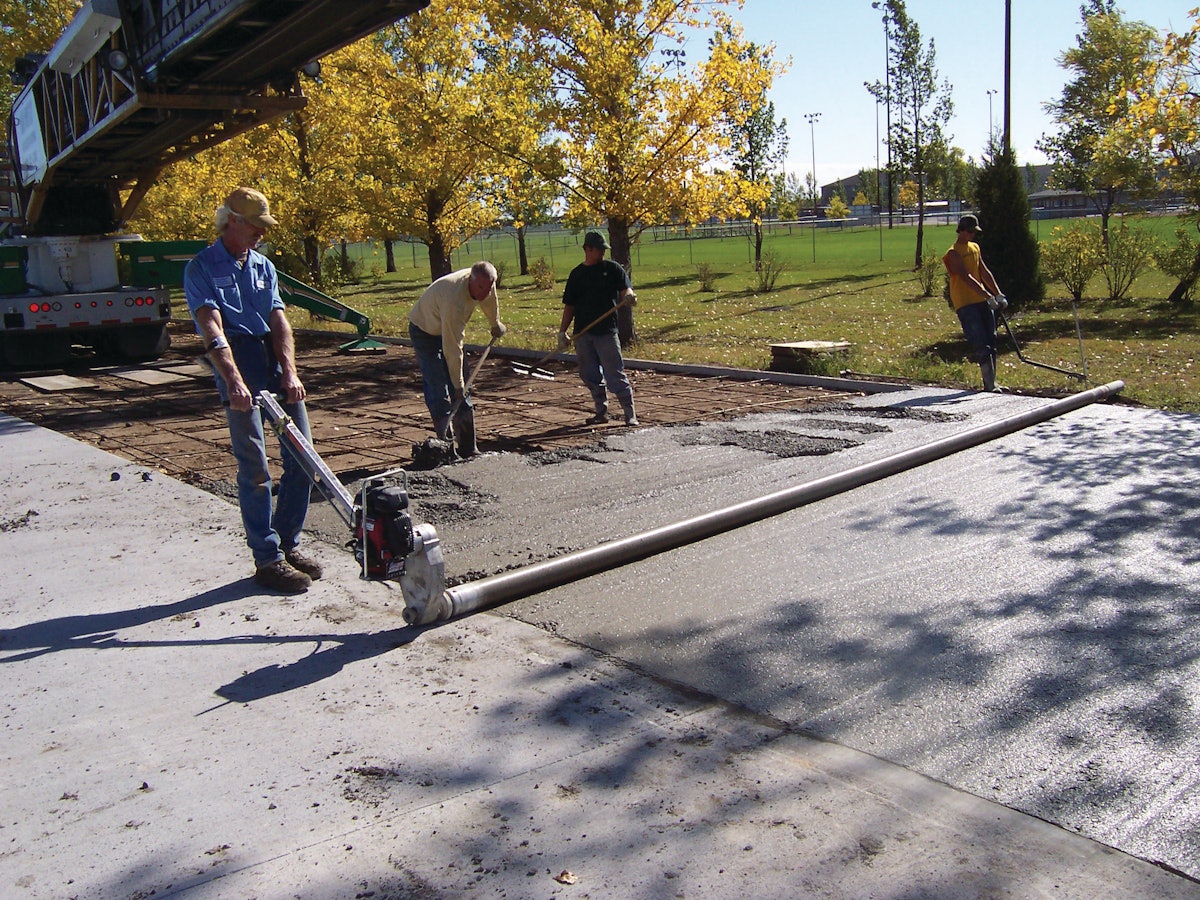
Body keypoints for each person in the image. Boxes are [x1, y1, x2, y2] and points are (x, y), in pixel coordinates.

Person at [183, 186, 321, 595]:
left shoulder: (263, 265)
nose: (262, 233)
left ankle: (287, 543)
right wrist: (233, 380)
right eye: (256, 226)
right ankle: (267, 558)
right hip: (235, 360)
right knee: (256, 467)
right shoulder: (201, 267)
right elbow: (211, 327)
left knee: (303, 458)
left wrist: (290, 372)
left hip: (272, 358)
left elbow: (280, 322)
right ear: (233, 222)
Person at [407, 262, 506, 457]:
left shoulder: (486, 282)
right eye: (480, 288)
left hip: (444, 327)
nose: (485, 292)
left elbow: (490, 300)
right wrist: (458, 385)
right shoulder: (455, 301)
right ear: (471, 280)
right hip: (424, 330)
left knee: (463, 392)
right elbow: (453, 349)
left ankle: (469, 448)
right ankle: (446, 450)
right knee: (438, 388)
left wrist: (495, 323)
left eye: (488, 287)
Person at [558, 231, 639, 426]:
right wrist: (562, 332)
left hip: (607, 332)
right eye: (600, 249)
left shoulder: (613, 269)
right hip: (583, 334)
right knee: (590, 375)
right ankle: (601, 412)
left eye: (604, 249)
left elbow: (625, 288)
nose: (603, 252)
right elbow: (570, 306)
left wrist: (629, 296)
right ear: (588, 249)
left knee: (615, 374)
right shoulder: (577, 274)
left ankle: (630, 414)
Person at [942, 213, 1007, 392]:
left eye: (974, 232)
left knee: (991, 340)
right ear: (961, 230)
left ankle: (992, 383)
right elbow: (966, 277)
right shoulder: (953, 253)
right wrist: (988, 296)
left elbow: (983, 272)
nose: (972, 235)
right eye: (969, 231)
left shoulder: (975, 248)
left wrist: (998, 294)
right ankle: (989, 384)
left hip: (982, 300)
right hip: (966, 302)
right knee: (980, 342)